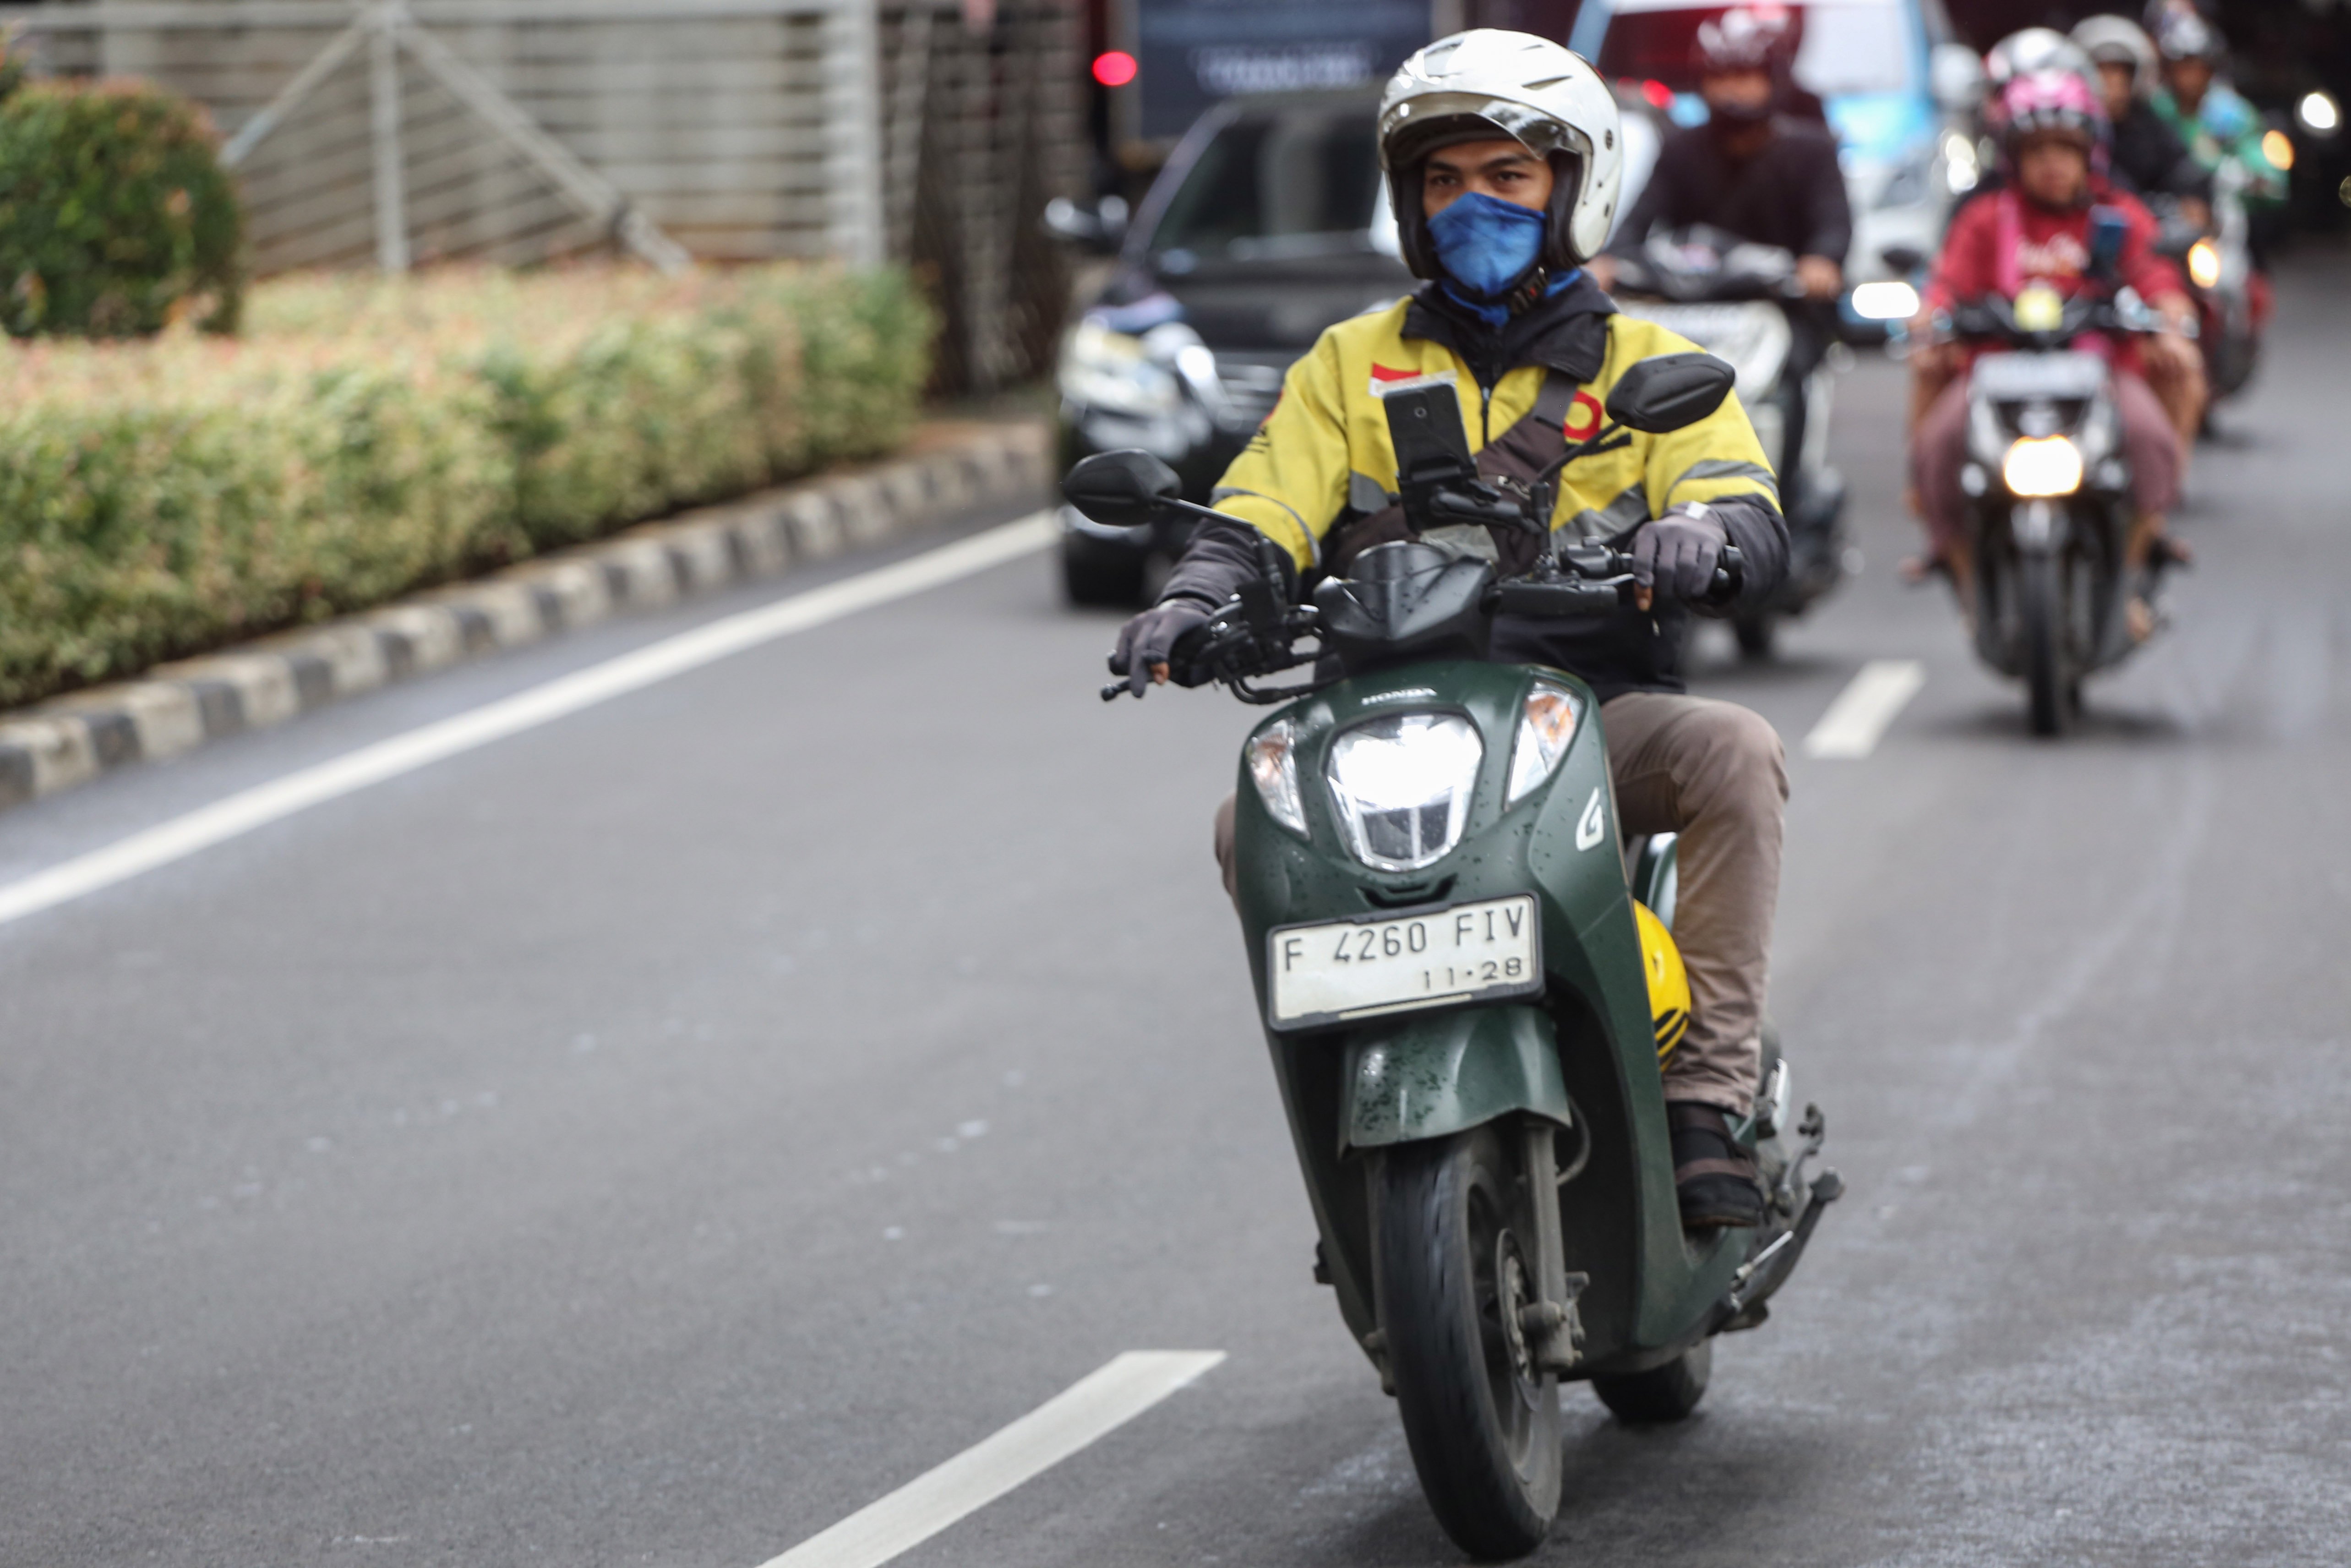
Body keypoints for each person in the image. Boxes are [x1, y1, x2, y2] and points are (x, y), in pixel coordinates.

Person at [1110, 29, 1794, 1232]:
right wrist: (1194, 596)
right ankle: (1359, 1113)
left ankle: (1704, 1094)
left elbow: (1731, 489)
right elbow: (1263, 498)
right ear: (1406, 204)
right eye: (1441, 180)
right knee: (1245, 826)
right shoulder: (1346, 364)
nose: (1468, 203)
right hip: (1389, 720)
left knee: (1732, 750)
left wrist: (1705, 536)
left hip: (1586, 719)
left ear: (1574, 192)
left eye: (1505, 177)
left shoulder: (1650, 361)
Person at [1904, 71, 2202, 638]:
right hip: (1996, 375)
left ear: (2090, 152)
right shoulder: (1986, 218)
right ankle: (1963, 572)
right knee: (1941, 444)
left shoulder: (2116, 216)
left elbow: (2158, 278)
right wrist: (1929, 320)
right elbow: (1943, 287)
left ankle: (2137, 560)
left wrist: (2169, 321)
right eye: (2038, 149)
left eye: (2066, 149)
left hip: (2100, 375)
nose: (2053, 163)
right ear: (2015, 156)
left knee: (2148, 437)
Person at [1587, 7, 1850, 314]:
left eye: (1743, 75)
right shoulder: (1679, 149)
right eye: (1719, 76)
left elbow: (1832, 223)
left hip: (1782, 308)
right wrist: (1610, 260)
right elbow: (1640, 217)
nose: (1730, 90)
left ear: (1771, 80)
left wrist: (1821, 261)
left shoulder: (1811, 151)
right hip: (1692, 307)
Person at [2072, 14, 2212, 226]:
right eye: (2104, 73)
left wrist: (2194, 200)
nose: (2114, 86)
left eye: (2122, 74)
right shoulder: (2070, 131)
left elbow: (2182, 168)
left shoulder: (2148, 125)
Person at [2147, 10, 2289, 218]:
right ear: (2169, 71)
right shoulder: (2157, 109)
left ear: (2210, 71)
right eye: (2183, 68)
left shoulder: (2228, 110)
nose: (2191, 78)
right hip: (2170, 209)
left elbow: (2255, 151)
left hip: (2224, 211)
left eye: (2199, 68)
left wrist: (2262, 177)